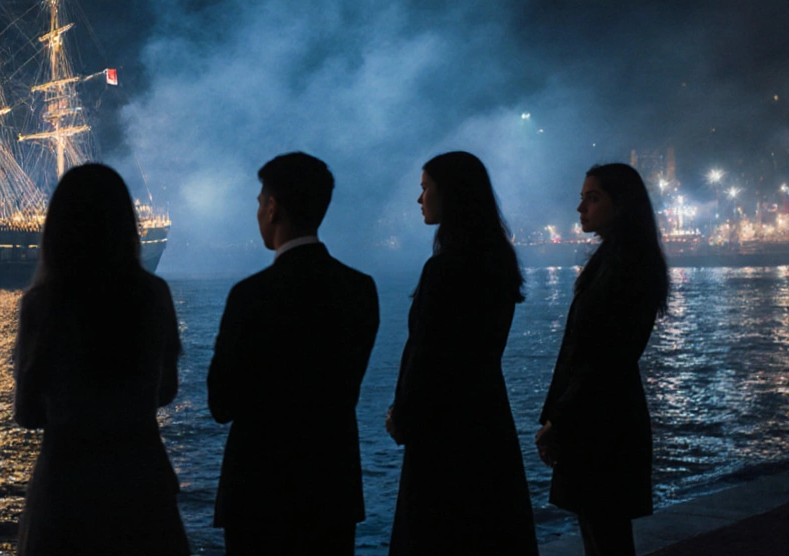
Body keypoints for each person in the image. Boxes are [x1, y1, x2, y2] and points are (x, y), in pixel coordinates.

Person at [208, 152, 380, 556]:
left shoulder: (250, 296)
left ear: (272, 209)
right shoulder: (360, 290)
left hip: (257, 491)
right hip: (330, 487)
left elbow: (221, 403)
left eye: (258, 202)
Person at [13, 163, 189, 556]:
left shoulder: (41, 303)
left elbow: (26, 413)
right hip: (140, 480)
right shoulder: (153, 294)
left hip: (65, 487)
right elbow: (166, 390)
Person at [387, 151, 539, 555]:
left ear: (448, 193)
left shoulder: (442, 270)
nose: (419, 199)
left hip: (444, 431)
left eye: (424, 188)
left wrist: (402, 413)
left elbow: (427, 354)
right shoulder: (497, 263)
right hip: (489, 420)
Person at [536, 163, 668, 556]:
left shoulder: (623, 266)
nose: (581, 208)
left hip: (601, 420)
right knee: (602, 531)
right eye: (582, 198)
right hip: (602, 414)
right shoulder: (620, 260)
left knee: (603, 533)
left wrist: (558, 417)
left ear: (621, 204)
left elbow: (603, 356)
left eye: (592, 199)